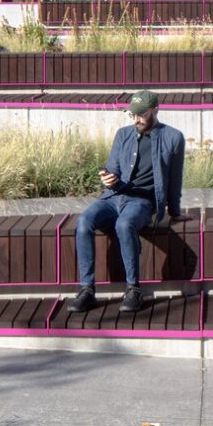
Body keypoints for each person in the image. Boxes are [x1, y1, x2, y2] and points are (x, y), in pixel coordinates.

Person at [69, 89, 186, 314]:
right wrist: (107, 177)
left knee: (124, 224)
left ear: (155, 110)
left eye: (141, 114)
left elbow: (174, 180)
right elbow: (112, 168)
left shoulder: (173, 137)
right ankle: (87, 289)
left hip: (141, 202)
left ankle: (133, 289)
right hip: (113, 197)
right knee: (84, 222)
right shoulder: (123, 134)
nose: (136, 119)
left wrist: (176, 211)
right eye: (133, 114)